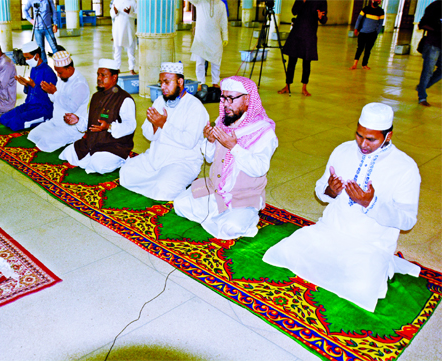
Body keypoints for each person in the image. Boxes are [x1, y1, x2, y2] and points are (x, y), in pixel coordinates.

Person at [263, 103, 421, 312]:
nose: (362, 144)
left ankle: (376, 267)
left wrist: (371, 204)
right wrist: (330, 190)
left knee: (361, 287)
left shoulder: (405, 167)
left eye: (371, 139)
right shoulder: (344, 150)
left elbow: (408, 220)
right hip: (330, 230)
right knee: (284, 252)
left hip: (370, 244)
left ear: (388, 136)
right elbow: (321, 190)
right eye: (359, 135)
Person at [174, 76, 278, 240]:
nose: (225, 104)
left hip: (243, 197)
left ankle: (246, 216)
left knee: (231, 229)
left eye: (231, 99)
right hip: (216, 190)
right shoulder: (223, 122)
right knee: (179, 204)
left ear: (247, 99)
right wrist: (210, 141)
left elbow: (259, 168)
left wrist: (233, 147)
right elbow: (209, 158)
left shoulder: (263, 132)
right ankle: (216, 214)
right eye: (223, 98)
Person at [120, 62, 209, 201]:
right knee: (125, 172)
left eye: (167, 82)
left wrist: (164, 124)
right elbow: (147, 134)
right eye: (161, 82)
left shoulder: (195, 107)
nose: (162, 87)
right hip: (156, 156)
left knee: (164, 189)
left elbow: (189, 142)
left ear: (180, 82)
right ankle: (156, 179)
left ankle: (165, 180)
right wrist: (155, 126)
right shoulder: (160, 101)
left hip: (182, 161)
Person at [59, 59, 136, 174]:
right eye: (98, 75)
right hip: (93, 142)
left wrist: (109, 127)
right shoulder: (96, 96)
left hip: (114, 145)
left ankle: (122, 160)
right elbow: (89, 121)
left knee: (98, 166)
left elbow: (130, 126)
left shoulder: (125, 99)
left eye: (103, 75)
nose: (99, 78)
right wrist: (77, 120)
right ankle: (93, 156)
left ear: (114, 77)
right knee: (66, 154)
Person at [28, 49, 90, 152]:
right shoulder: (63, 78)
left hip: (71, 128)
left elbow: (71, 107)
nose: (58, 75)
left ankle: (75, 138)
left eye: (59, 72)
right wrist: (50, 91)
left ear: (69, 68)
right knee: (33, 135)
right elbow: (54, 100)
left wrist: (55, 93)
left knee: (45, 143)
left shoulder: (80, 84)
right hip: (56, 121)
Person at [0, 41, 57, 131]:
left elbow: (51, 97)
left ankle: (45, 119)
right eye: (25, 58)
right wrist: (26, 85)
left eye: (28, 58)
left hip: (42, 108)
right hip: (29, 105)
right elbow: (28, 92)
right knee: (4, 118)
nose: (26, 60)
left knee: (15, 123)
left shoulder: (48, 72)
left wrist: (33, 85)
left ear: (37, 56)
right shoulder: (33, 69)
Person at [278, 0, 327, 96]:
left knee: (307, 62)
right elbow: (294, 11)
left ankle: (304, 87)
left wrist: (321, 17)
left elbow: (324, 20)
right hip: (297, 33)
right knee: (291, 61)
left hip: (309, 34)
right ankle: (287, 85)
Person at [189, 0, 228, 88]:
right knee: (200, 62)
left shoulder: (221, 4)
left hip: (215, 37)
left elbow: (223, 21)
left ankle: (215, 83)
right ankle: (200, 82)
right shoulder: (200, 2)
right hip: (201, 37)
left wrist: (225, 37)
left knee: (216, 62)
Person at [416, 0, 441, 107]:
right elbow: (422, 25)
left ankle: (422, 86)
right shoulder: (435, 6)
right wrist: (438, 30)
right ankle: (422, 97)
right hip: (433, 44)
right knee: (428, 71)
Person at [350, 0, 384, 70]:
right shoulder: (365, 9)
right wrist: (356, 28)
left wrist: (376, 33)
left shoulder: (381, 11)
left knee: (368, 50)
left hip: (372, 34)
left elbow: (380, 23)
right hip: (363, 33)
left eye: (378, 1)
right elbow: (359, 19)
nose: (377, 2)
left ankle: (364, 64)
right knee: (360, 48)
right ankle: (354, 64)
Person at [24, 0, 59, 64]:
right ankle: (45, 65)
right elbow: (25, 10)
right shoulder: (31, 1)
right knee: (41, 49)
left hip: (48, 28)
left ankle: (59, 63)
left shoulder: (48, 0)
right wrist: (30, 20)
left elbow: (54, 11)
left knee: (54, 47)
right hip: (37, 29)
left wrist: (55, 23)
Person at [110, 0, 137, 75]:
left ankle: (131, 68)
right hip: (118, 28)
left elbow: (137, 15)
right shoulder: (116, 1)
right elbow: (112, 14)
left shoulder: (133, 2)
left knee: (131, 49)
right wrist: (115, 12)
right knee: (117, 50)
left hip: (129, 28)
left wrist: (130, 13)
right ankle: (117, 67)